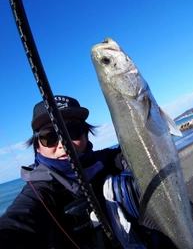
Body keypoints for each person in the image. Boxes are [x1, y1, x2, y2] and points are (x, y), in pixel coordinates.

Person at [0, 95, 176, 249]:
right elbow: (17, 223)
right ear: (37, 147)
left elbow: (149, 152)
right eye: (49, 137)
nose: (64, 143)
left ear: (86, 134)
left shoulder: (112, 160)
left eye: (73, 131)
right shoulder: (40, 193)